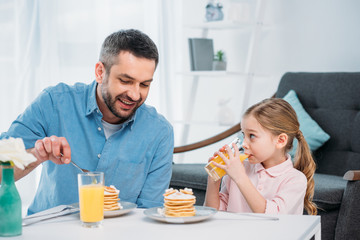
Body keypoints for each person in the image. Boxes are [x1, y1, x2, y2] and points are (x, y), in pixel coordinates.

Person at [0, 29, 174, 215]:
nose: (134, 94)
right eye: (125, 81)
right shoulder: (53, 103)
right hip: (49, 231)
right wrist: (37, 154)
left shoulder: (159, 132)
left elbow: (149, 214)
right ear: (100, 72)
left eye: (144, 85)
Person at [204, 98, 317, 215]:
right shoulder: (240, 169)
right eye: (244, 135)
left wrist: (240, 177)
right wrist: (214, 179)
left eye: (252, 136)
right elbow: (214, 213)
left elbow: (273, 217)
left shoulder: (295, 180)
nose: (243, 143)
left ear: (280, 140)